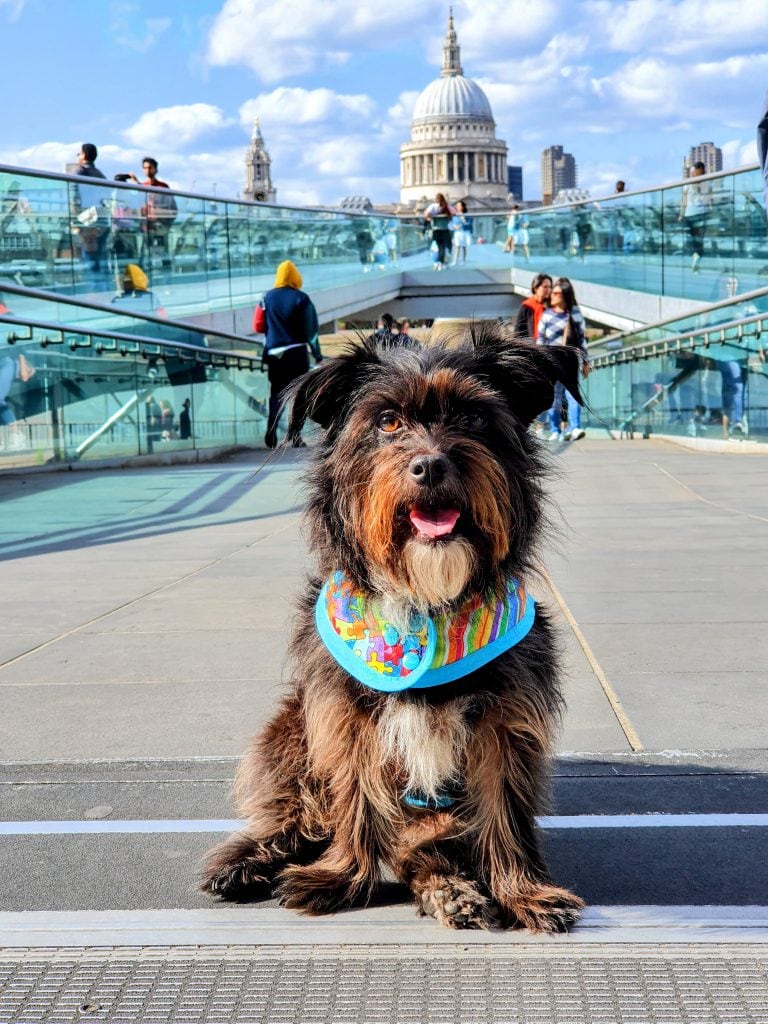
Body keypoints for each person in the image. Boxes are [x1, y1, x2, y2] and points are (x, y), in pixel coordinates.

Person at [261, 260, 322, 448]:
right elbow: (310, 330)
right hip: (296, 353)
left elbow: (257, 324)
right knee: (298, 394)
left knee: (276, 393)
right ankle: (294, 435)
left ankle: (271, 430)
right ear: (296, 277)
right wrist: (317, 354)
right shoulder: (301, 298)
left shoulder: (267, 297)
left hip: (274, 354)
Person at [536, 277, 590, 441]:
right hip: (551, 362)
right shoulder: (547, 315)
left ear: (565, 295)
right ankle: (555, 430)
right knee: (554, 396)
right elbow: (541, 340)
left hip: (570, 362)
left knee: (573, 394)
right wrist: (539, 361)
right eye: (553, 292)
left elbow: (582, 340)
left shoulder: (575, 314)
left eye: (557, 293)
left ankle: (575, 427)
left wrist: (586, 362)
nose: (553, 295)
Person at [122, 157, 177, 275]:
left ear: (155, 169)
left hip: (161, 227)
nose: (147, 170)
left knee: (164, 254)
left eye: (150, 168)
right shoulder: (142, 186)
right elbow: (135, 203)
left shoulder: (163, 187)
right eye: (145, 168)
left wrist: (165, 222)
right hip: (146, 227)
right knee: (144, 254)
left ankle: (167, 278)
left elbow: (173, 208)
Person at [73, 143, 108, 278]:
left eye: (78, 154)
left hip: (87, 217)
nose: (77, 157)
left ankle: (92, 288)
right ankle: (101, 286)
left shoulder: (80, 171)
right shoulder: (100, 174)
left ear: (84, 155)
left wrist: (75, 216)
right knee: (99, 254)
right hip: (101, 217)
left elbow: (74, 194)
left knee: (87, 251)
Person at [679, 161, 710, 273]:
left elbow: (684, 200)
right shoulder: (708, 182)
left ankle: (695, 258)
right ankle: (696, 261)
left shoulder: (688, 183)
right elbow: (709, 200)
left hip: (689, 214)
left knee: (691, 240)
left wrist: (681, 214)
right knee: (699, 241)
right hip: (702, 213)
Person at [0, 353, 35, 449]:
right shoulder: (14, 363)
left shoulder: (11, 366)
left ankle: (16, 434)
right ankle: (16, 434)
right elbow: (25, 376)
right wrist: (23, 364)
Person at [513, 273, 552, 341]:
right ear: (535, 288)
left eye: (550, 287)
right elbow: (518, 332)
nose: (548, 290)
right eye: (545, 287)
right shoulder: (527, 306)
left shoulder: (551, 306)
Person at [423, 193, 454, 270]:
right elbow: (454, 212)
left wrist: (430, 218)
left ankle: (438, 262)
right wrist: (447, 216)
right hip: (445, 230)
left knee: (438, 247)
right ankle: (442, 263)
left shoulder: (433, 206)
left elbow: (426, 214)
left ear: (436, 199)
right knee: (444, 247)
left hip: (436, 230)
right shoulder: (447, 206)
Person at [450, 201, 473, 265]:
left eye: (459, 206)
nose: (457, 207)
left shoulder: (467, 215)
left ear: (463, 207)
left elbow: (470, 223)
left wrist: (463, 221)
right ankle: (455, 261)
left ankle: (463, 260)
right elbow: (451, 223)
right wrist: (454, 226)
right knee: (457, 247)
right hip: (457, 232)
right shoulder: (454, 215)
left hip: (464, 232)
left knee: (463, 247)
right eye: (457, 206)